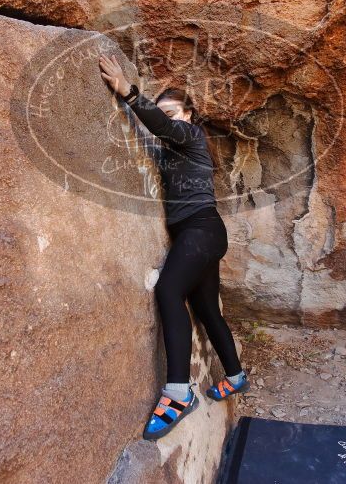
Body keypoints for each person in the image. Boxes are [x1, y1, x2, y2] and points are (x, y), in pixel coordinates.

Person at [99, 54, 249, 440]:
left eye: (174, 113)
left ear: (189, 115)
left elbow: (164, 126)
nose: (168, 120)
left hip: (202, 230)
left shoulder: (192, 136)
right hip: (198, 235)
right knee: (204, 308)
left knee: (168, 290)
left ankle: (178, 393)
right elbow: (157, 132)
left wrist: (128, 93)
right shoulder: (171, 149)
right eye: (164, 113)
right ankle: (235, 376)